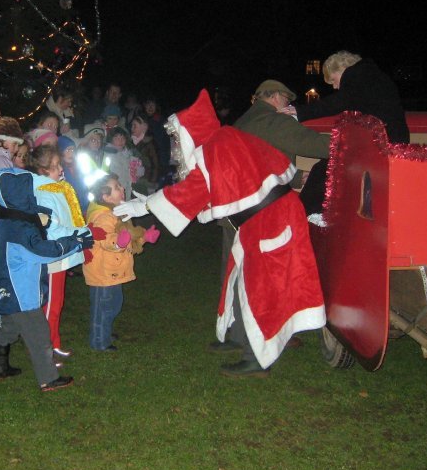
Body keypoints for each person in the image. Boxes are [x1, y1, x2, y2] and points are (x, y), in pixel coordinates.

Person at [115, 89, 326, 378]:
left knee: (258, 288)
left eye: (178, 138)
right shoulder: (221, 142)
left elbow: (196, 191)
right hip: (262, 219)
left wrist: (143, 206)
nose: (176, 147)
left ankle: (257, 358)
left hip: (270, 219)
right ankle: (239, 337)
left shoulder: (216, 147)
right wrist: (145, 203)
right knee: (238, 278)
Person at [213, 79, 330, 354]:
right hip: (259, 213)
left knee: (233, 274)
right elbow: (316, 145)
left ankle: (234, 335)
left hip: (233, 209)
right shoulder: (273, 122)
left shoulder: (244, 120)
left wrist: (296, 176)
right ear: (275, 97)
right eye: (286, 100)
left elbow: (262, 159)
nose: (289, 106)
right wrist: (351, 141)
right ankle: (257, 343)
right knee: (261, 277)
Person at [0, 167, 93, 390]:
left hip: (5, 286)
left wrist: (41, 220)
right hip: (21, 291)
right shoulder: (21, 228)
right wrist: (76, 243)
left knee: (9, 326)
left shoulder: (6, 220)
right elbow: (45, 251)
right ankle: (48, 378)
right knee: (39, 333)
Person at [84, 173, 159, 351]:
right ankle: (99, 341)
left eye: (120, 185)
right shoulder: (103, 218)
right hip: (102, 272)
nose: (122, 188)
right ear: (106, 197)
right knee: (103, 308)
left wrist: (144, 238)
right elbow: (106, 239)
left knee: (113, 304)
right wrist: (118, 242)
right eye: (117, 187)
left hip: (113, 271)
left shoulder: (117, 213)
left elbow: (128, 240)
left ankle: (105, 331)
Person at [30, 145, 87, 358]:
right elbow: (52, 228)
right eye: (56, 167)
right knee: (51, 304)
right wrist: (78, 234)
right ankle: (45, 351)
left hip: (60, 253)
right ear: (44, 170)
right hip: (53, 255)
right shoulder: (45, 193)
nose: (60, 169)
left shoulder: (55, 188)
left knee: (56, 302)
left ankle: (53, 343)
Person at [290, 50, 409, 144]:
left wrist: (299, 111)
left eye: (333, 80)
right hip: (393, 140)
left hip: (384, 144)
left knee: (325, 169)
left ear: (342, 69)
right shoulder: (370, 74)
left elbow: (336, 103)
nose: (335, 87)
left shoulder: (357, 76)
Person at [58, 135, 89, 216]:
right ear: (60, 151)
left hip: (85, 210)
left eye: (73, 150)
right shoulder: (59, 171)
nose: (71, 153)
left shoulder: (78, 167)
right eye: (68, 150)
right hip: (70, 213)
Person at [128, 113, 160, 194]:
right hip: (133, 181)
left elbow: (155, 164)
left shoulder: (150, 144)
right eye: (132, 125)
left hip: (146, 181)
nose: (132, 128)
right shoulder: (130, 143)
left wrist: (152, 182)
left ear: (144, 127)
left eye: (135, 126)